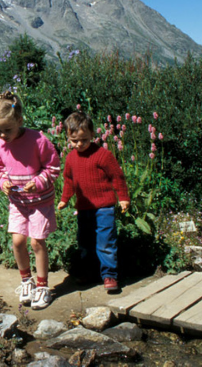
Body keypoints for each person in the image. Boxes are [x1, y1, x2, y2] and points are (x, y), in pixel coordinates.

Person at [0, 91, 61, 309]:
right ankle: (27, 281)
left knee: (37, 242)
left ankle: (43, 287)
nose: (2, 135)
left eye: (7, 130)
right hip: (18, 202)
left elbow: (52, 167)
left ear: (20, 120)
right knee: (17, 241)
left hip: (40, 201)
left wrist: (40, 181)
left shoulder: (39, 140)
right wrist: (3, 181)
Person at [57, 111, 130, 292]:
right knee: (86, 242)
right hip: (84, 208)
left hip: (104, 207)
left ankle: (109, 275)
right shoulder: (71, 158)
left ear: (92, 135)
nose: (79, 144)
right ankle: (89, 272)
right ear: (68, 137)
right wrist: (65, 199)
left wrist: (123, 198)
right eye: (74, 140)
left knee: (105, 242)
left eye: (84, 140)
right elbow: (69, 180)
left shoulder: (102, 155)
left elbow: (117, 177)